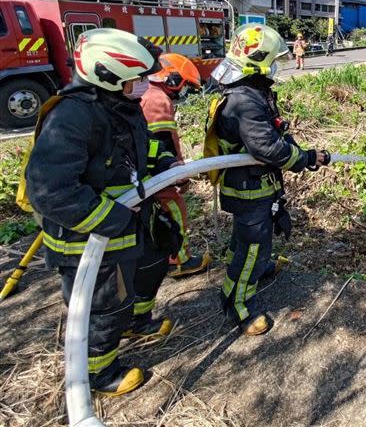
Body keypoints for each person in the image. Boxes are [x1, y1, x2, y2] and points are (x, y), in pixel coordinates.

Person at [24, 29, 177, 397]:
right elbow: (51, 191)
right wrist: (113, 218)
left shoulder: (117, 105)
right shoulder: (73, 117)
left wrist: (164, 163)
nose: (143, 85)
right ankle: (99, 373)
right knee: (105, 304)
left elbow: (134, 151)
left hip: (124, 224)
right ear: (108, 77)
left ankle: (136, 322)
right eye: (136, 79)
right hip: (87, 238)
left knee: (151, 264)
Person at [205, 24, 329, 335]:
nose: (276, 67)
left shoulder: (247, 92)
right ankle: (237, 305)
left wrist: (302, 152)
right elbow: (266, 147)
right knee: (249, 249)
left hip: (254, 185)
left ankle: (257, 270)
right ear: (257, 62)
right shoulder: (244, 100)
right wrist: (305, 159)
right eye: (273, 60)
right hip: (249, 190)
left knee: (249, 244)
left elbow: (272, 135)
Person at [140, 53, 211, 278]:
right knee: (174, 211)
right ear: (172, 79)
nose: (184, 91)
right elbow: (162, 142)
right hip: (158, 174)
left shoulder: (145, 93)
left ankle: (158, 256)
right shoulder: (158, 100)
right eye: (185, 85)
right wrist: (175, 172)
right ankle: (179, 260)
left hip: (143, 173)